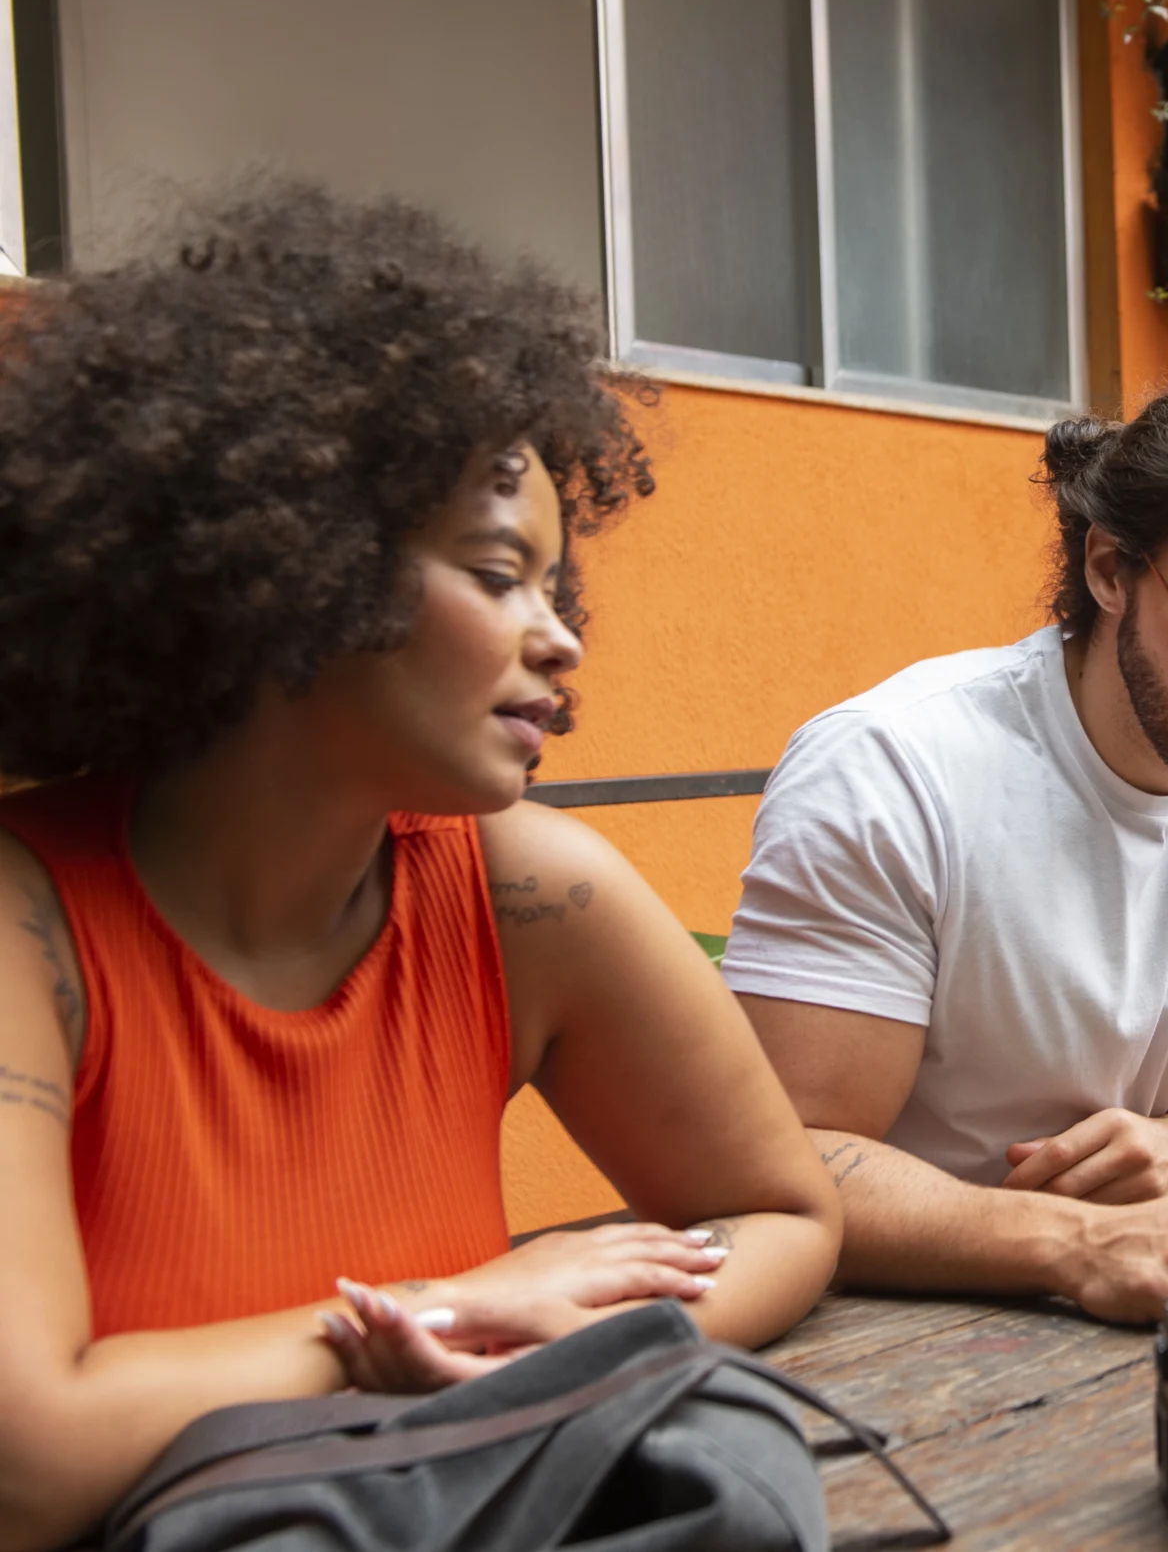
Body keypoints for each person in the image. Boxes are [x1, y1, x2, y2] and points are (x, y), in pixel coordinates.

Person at [0, 186, 842, 1550]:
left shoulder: (529, 897)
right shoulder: (27, 924)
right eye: (498, 574)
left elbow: (785, 1211)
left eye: (554, 586)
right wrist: (448, 1307)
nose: (560, 638)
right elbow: (26, 1462)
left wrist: (558, 1336)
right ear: (291, 562)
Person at [728, 378, 1168, 1323]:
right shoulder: (893, 769)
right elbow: (781, 1160)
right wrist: (1078, 1240)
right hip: (911, 1334)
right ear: (1110, 570)